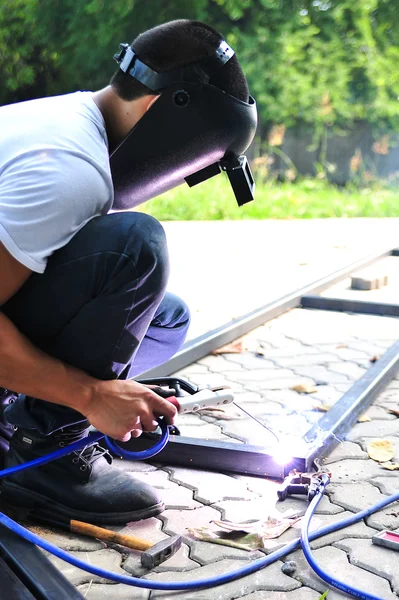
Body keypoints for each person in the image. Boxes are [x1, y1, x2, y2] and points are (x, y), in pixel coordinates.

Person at [0, 19, 250, 524]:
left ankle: (22, 411)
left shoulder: (65, 115)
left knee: (164, 317)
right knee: (134, 249)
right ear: (166, 110)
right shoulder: (70, 168)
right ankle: (38, 454)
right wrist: (88, 394)